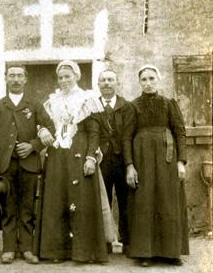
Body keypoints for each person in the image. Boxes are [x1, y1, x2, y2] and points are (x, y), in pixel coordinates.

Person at [39, 60, 109, 263]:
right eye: (60, 77)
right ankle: (57, 252)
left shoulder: (87, 99)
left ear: (77, 76)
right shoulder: (53, 101)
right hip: (57, 155)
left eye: (67, 76)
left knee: (81, 201)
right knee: (56, 200)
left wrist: (90, 158)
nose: (63, 81)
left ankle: (83, 252)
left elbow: (94, 132)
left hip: (79, 152)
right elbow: (47, 125)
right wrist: (41, 129)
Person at [0, 65, 55, 264]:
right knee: (8, 207)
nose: (15, 79)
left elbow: (51, 127)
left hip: (29, 164)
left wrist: (33, 146)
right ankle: (8, 248)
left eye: (19, 76)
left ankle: (26, 248)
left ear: (26, 79)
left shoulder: (34, 105)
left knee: (27, 208)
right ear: (6, 78)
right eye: (12, 75)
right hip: (5, 164)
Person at [123, 64, 189, 267]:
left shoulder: (169, 104)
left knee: (168, 201)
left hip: (167, 159)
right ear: (139, 82)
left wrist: (181, 162)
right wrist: (130, 166)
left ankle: (171, 252)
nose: (148, 83)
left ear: (158, 80)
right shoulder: (133, 106)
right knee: (144, 202)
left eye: (152, 78)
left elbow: (180, 132)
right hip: (142, 159)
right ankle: (145, 253)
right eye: (144, 79)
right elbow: (126, 138)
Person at [88, 69, 132, 251]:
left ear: (116, 83)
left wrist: (130, 163)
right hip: (101, 160)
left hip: (122, 158)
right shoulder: (91, 106)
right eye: (103, 80)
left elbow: (129, 134)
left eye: (110, 80)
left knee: (125, 201)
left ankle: (128, 242)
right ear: (98, 84)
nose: (106, 83)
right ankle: (103, 243)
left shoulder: (126, 106)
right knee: (101, 201)